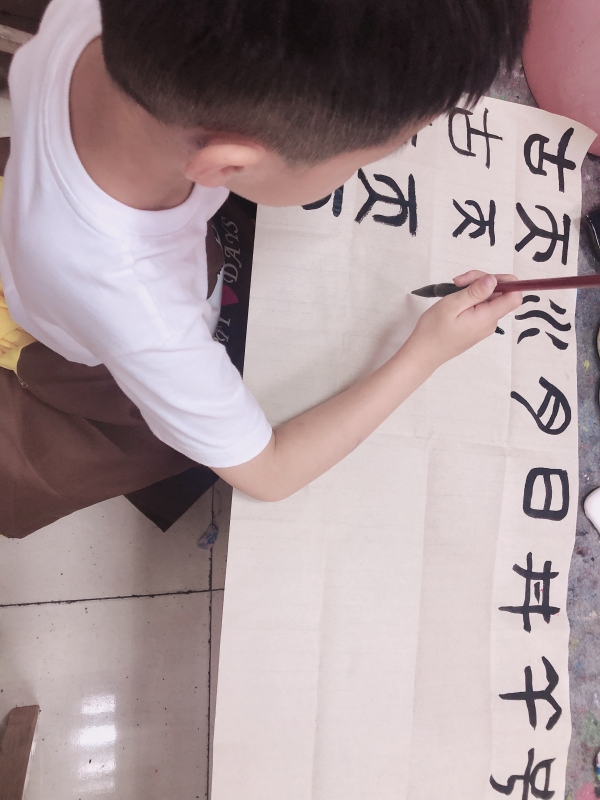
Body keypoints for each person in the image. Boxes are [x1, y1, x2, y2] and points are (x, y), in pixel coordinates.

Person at [0, 0, 527, 538]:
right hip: (81, 345)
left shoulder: (99, 16)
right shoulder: (142, 310)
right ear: (228, 164)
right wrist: (425, 353)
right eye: (363, 159)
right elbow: (271, 473)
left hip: (41, 223)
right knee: (163, 444)